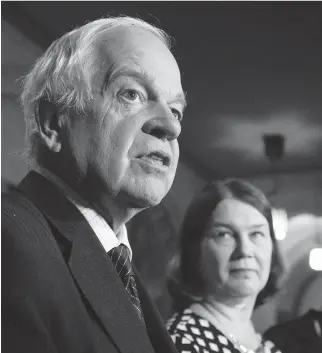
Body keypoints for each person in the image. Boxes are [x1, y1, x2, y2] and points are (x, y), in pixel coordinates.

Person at [2, 16, 186, 353]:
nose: (169, 127)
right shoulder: (9, 244)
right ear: (53, 123)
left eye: (175, 110)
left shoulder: (117, 262)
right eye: (132, 94)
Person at [166, 179, 285, 353]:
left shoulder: (267, 348)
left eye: (257, 234)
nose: (245, 250)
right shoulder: (179, 341)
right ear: (195, 251)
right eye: (224, 234)